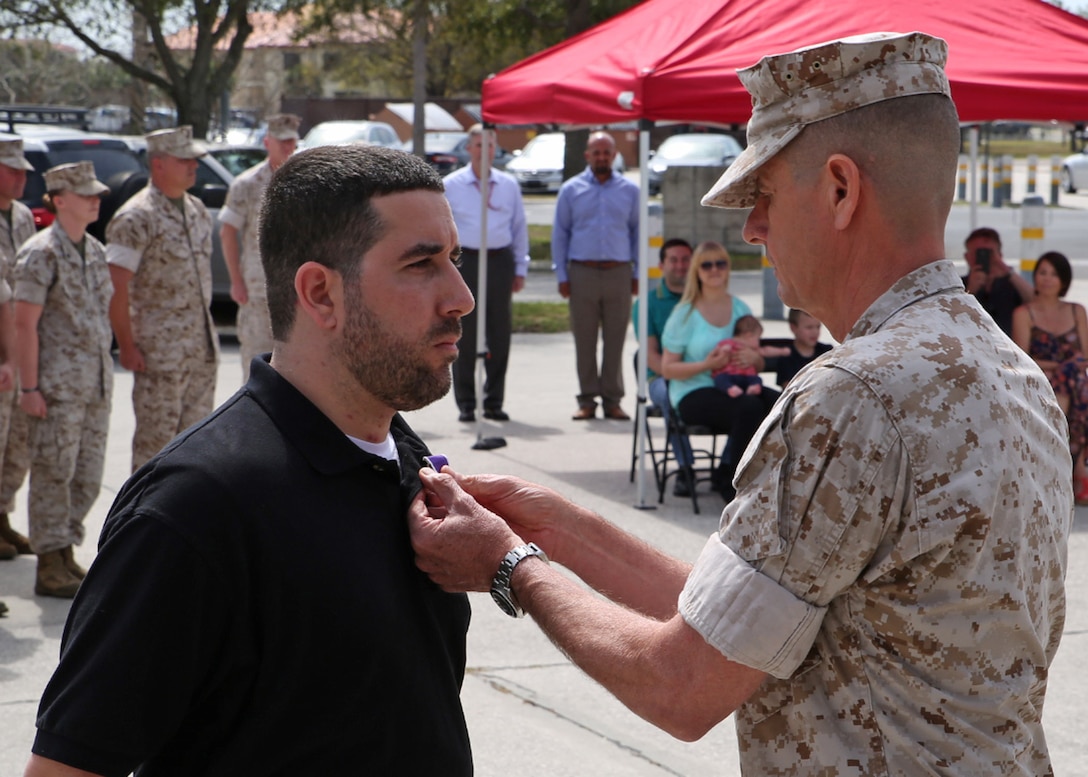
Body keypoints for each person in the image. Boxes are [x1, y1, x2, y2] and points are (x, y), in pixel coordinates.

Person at [407, 32, 1071, 775]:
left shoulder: (855, 395)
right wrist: (556, 525)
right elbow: (745, 613)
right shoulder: (1012, 371)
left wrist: (508, 565)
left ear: (841, 189)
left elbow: (681, 684)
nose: (753, 227)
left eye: (766, 195)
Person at [25, 145, 476, 775]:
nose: (461, 297)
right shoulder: (195, 508)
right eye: (422, 264)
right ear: (320, 293)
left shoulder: (408, 464)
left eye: (453, 260)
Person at [13, 161, 112, 599]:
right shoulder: (41, 253)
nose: (96, 199)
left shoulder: (94, 249)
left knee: (86, 475)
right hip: (55, 387)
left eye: (96, 193)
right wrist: (29, 387)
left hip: (92, 384)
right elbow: (23, 325)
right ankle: (49, 563)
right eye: (85, 193)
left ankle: (65, 549)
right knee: (53, 471)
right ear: (58, 199)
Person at [106, 125, 219, 473]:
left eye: (194, 160)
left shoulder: (197, 210)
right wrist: (126, 345)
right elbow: (116, 288)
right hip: (159, 356)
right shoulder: (135, 217)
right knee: (154, 455)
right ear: (158, 165)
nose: (194, 166)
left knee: (197, 450)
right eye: (184, 160)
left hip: (200, 351)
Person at [660, 240, 775, 500]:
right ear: (696, 272)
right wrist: (708, 365)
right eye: (706, 265)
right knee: (749, 408)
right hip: (694, 390)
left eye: (720, 263)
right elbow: (668, 369)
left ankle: (738, 472)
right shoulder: (684, 314)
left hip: (738, 384)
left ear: (728, 268)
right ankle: (734, 487)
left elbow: (758, 360)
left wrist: (753, 358)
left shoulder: (740, 309)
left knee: (778, 402)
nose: (714, 270)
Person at [444, 123, 529, 423]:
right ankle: (467, 402)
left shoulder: (508, 185)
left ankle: (494, 400)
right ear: (469, 149)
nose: (485, 151)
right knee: (464, 332)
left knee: (499, 333)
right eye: (479, 145)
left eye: (490, 146)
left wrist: (520, 266)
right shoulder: (452, 184)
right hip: (467, 261)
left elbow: (519, 228)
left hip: (499, 260)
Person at [553, 131, 639, 421]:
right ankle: (587, 400)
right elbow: (559, 235)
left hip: (618, 273)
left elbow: (637, 233)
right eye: (596, 152)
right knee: (585, 340)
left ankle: (613, 401)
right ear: (587, 155)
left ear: (614, 155)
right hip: (582, 273)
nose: (602, 157)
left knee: (615, 340)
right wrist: (562, 275)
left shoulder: (630, 190)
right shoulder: (570, 189)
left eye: (607, 152)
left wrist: (637, 272)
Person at [219, 113, 301, 381]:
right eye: (282, 142)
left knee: (298, 370)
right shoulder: (247, 184)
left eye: (292, 142)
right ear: (267, 142)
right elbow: (228, 231)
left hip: (298, 292)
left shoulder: (304, 183)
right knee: (258, 367)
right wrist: (236, 281)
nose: (288, 148)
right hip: (258, 292)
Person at [1011, 250, 1088, 502]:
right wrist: (1060, 366)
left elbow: (1085, 356)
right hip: (1041, 379)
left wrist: (1067, 367)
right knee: (1072, 377)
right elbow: (1023, 357)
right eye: (1042, 272)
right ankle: (1079, 467)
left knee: (1075, 376)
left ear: (1064, 280)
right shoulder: (1024, 313)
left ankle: (1063, 443)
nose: (1047, 279)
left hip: (1074, 380)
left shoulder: (1077, 311)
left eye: (1053, 274)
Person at [632, 237, 695, 496]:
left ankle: (728, 467)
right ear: (661, 265)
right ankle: (685, 468)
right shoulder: (646, 303)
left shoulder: (705, 298)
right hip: (661, 378)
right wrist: (678, 375)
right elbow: (650, 355)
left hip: (703, 375)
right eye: (673, 260)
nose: (680, 266)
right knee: (672, 395)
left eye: (685, 260)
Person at [0, 137, 33, 561]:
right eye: (12, 170)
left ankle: (3, 512)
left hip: (19, 342)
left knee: (17, 440)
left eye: (24, 170)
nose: (22, 177)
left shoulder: (22, 216)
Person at [962, 226, 1032, 335]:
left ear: (999, 255)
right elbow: (953, 315)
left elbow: (1035, 301)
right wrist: (970, 291)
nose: (984, 257)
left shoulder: (1011, 285)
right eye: (978, 253)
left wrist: (1007, 270)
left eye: (989, 253)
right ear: (967, 257)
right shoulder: (958, 285)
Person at [710, 314, 789, 397]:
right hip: (728, 375)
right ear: (749, 336)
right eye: (757, 339)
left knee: (757, 379)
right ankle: (730, 388)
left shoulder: (753, 350)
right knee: (720, 379)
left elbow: (766, 351)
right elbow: (720, 350)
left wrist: (781, 351)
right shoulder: (730, 343)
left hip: (747, 377)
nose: (759, 343)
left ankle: (753, 388)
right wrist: (724, 350)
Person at [774, 308, 833, 388]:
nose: (815, 332)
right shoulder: (786, 357)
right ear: (793, 328)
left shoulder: (827, 352)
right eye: (809, 327)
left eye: (818, 327)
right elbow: (789, 390)